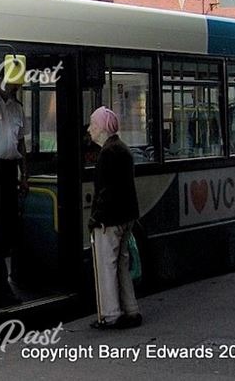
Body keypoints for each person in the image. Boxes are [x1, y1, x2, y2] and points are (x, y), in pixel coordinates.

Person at [87, 106, 142, 330]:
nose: (89, 129)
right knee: (122, 263)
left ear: (100, 128)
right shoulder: (123, 149)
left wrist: (96, 218)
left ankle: (110, 314)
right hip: (127, 216)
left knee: (106, 267)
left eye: (92, 124)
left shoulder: (106, 153)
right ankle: (131, 309)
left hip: (109, 220)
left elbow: (105, 191)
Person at [0, 63, 28, 304]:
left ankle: (9, 279)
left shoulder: (17, 108)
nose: (15, 88)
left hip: (9, 171)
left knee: (9, 228)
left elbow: (21, 144)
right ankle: (0, 283)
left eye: (18, 84)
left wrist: (24, 176)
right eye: (12, 83)